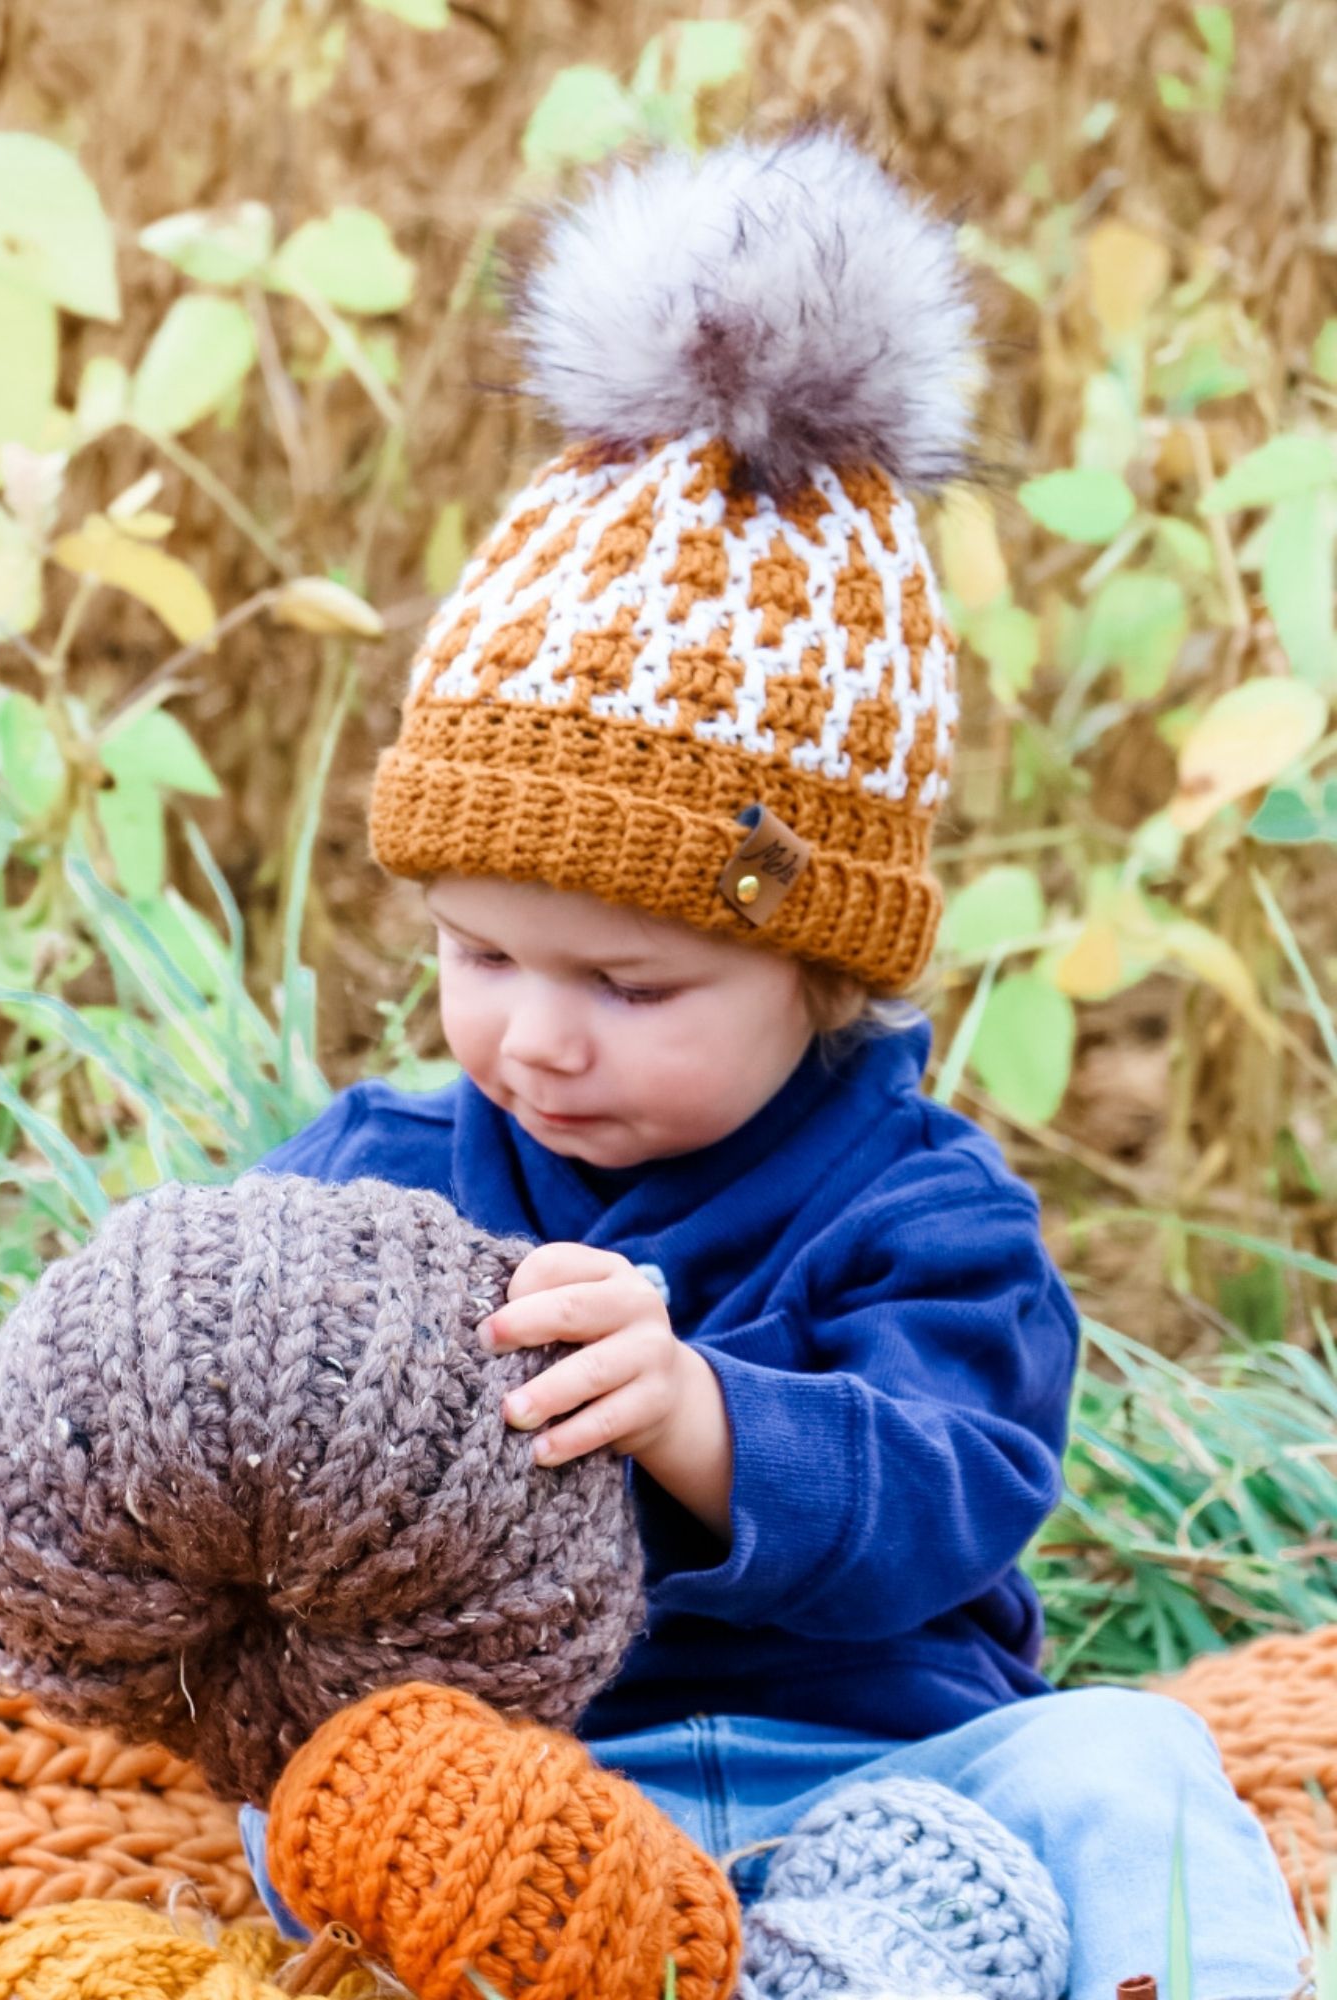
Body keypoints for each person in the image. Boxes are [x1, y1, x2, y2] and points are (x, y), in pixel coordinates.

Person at [233, 128, 1308, 1999]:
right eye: (478, 954)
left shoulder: (923, 1211)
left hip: (906, 1768)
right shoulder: (378, 1176)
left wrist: (697, 1420)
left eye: (631, 985)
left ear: (824, 974)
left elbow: (951, 1487)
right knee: (293, 1805)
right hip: (548, 1794)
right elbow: (221, 1403)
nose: (534, 1035)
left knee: (1131, 1760)